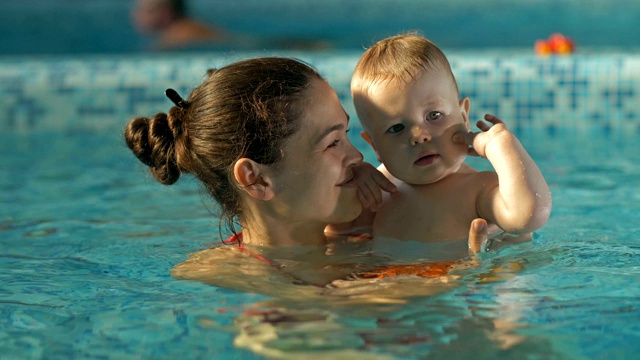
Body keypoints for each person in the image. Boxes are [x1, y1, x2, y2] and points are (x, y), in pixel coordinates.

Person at [124, 57, 493, 297]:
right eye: (333, 143)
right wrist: (462, 278)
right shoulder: (236, 280)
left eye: (348, 134)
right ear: (256, 180)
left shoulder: (370, 230)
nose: (357, 157)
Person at [347, 33, 552, 244]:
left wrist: (501, 146)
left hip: (459, 275)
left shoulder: (477, 190)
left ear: (464, 117)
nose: (419, 136)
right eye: (397, 128)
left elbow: (530, 217)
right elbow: (336, 235)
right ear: (375, 146)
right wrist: (353, 183)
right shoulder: (379, 191)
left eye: (434, 116)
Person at [131, 0, 227, 50]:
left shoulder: (176, 38)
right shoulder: (191, 27)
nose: (136, 15)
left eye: (147, 11)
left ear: (165, 13)